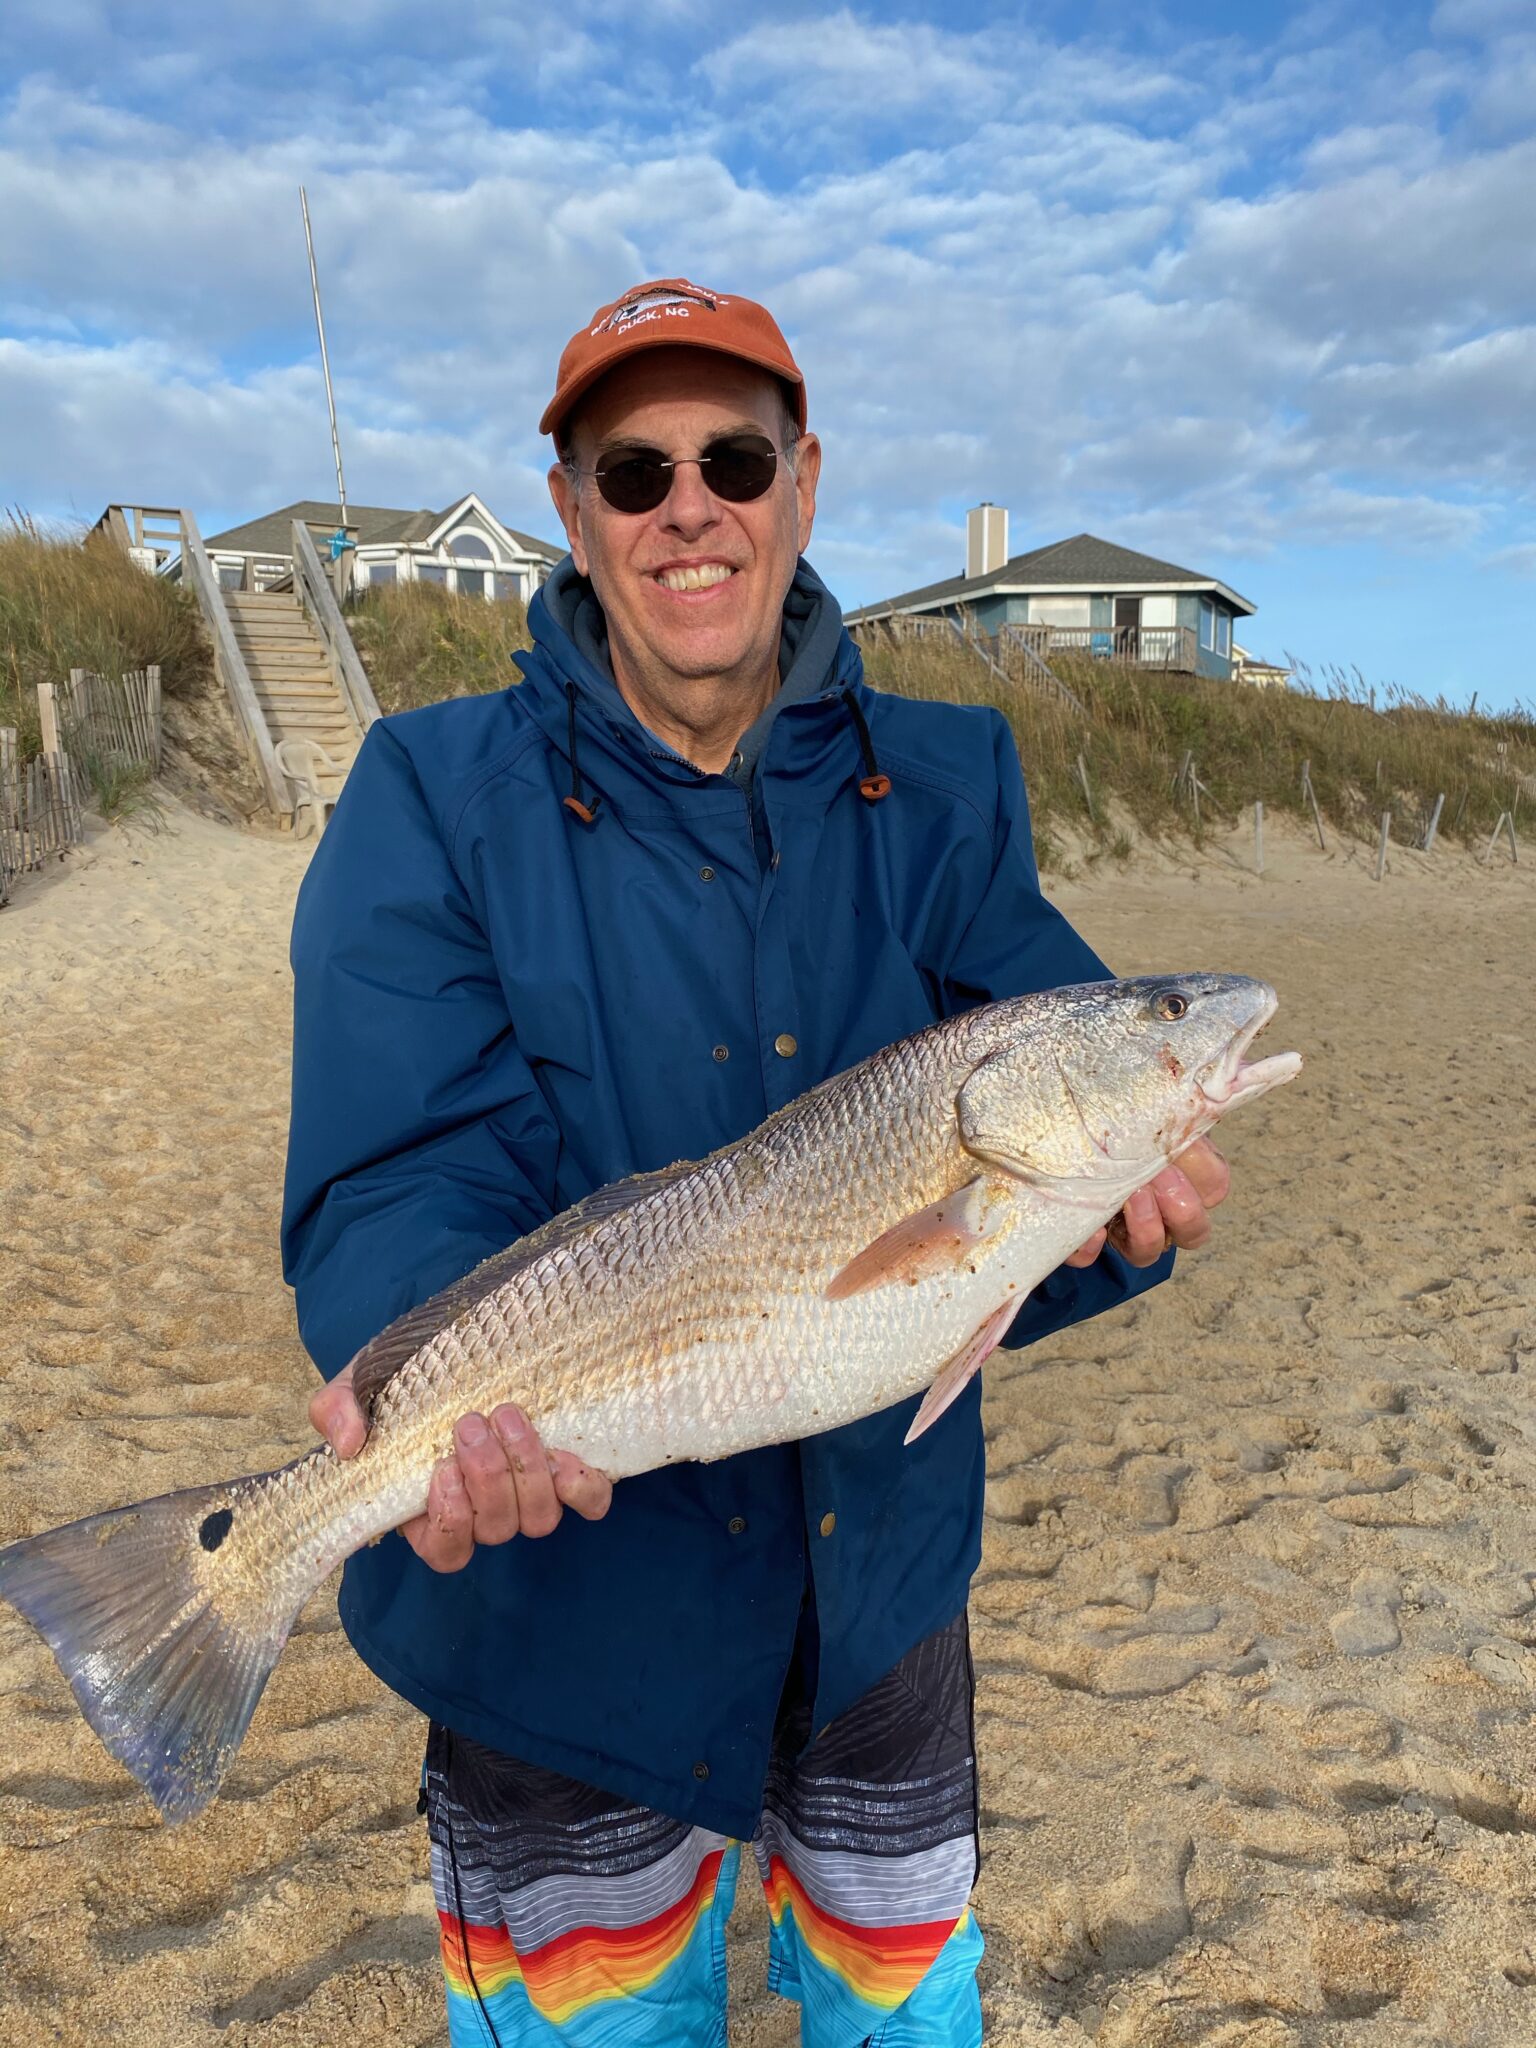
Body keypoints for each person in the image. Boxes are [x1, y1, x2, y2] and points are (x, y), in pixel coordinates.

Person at [282, 277, 1231, 2047]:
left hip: (875, 1599)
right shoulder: (424, 791)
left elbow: (1044, 1079)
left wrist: (1122, 1206)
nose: (689, 505)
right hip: (555, 1626)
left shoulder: (951, 781)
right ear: (570, 512)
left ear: (805, 481)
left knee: (898, 2018)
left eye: (733, 455)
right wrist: (435, 1369)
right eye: (634, 474)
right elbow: (393, 1162)